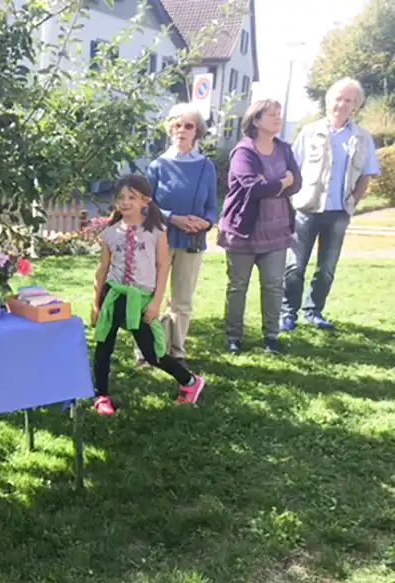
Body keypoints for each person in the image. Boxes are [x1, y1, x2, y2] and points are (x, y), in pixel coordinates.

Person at [91, 175, 207, 415]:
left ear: (145, 201)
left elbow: (163, 266)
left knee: (152, 352)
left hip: (141, 299)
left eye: (131, 197)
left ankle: (190, 382)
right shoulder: (110, 233)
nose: (125, 202)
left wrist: (156, 303)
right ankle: (101, 395)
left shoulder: (156, 230)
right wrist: (96, 304)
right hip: (114, 295)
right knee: (103, 345)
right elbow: (103, 269)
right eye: (121, 197)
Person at [281, 78, 381, 331]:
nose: (341, 104)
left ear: (355, 106)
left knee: (327, 267)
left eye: (348, 100)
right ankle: (287, 313)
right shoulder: (309, 132)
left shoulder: (362, 137)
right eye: (337, 98)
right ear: (328, 101)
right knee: (295, 265)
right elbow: (293, 168)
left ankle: (313, 312)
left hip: (339, 212)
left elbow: (366, 174)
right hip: (307, 208)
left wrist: (354, 202)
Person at [137, 103, 218, 369]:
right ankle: (146, 352)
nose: (181, 130)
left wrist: (205, 223)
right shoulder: (158, 166)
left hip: (192, 241)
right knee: (150, 295)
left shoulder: (206, 167)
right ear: (169, 129)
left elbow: (212, 207)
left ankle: (176, 351)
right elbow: (147, 205)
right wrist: (174, 218)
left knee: (182, 299)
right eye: (176, 125)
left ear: (198, 132)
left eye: (188, 125)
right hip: (159, 238)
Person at [218, 100, 302, 354]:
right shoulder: (243, 152)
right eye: (271, 114)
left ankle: (272, 337)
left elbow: (297, 183)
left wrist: (274, 183)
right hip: (243, 230)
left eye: (279, 114)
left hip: (277, 230)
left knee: (274, 284)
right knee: (238, 286)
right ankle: (234, 337)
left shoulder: (285, 150)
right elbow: (253, 188)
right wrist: (282, 182)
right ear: (255, 120)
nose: (278, 118)